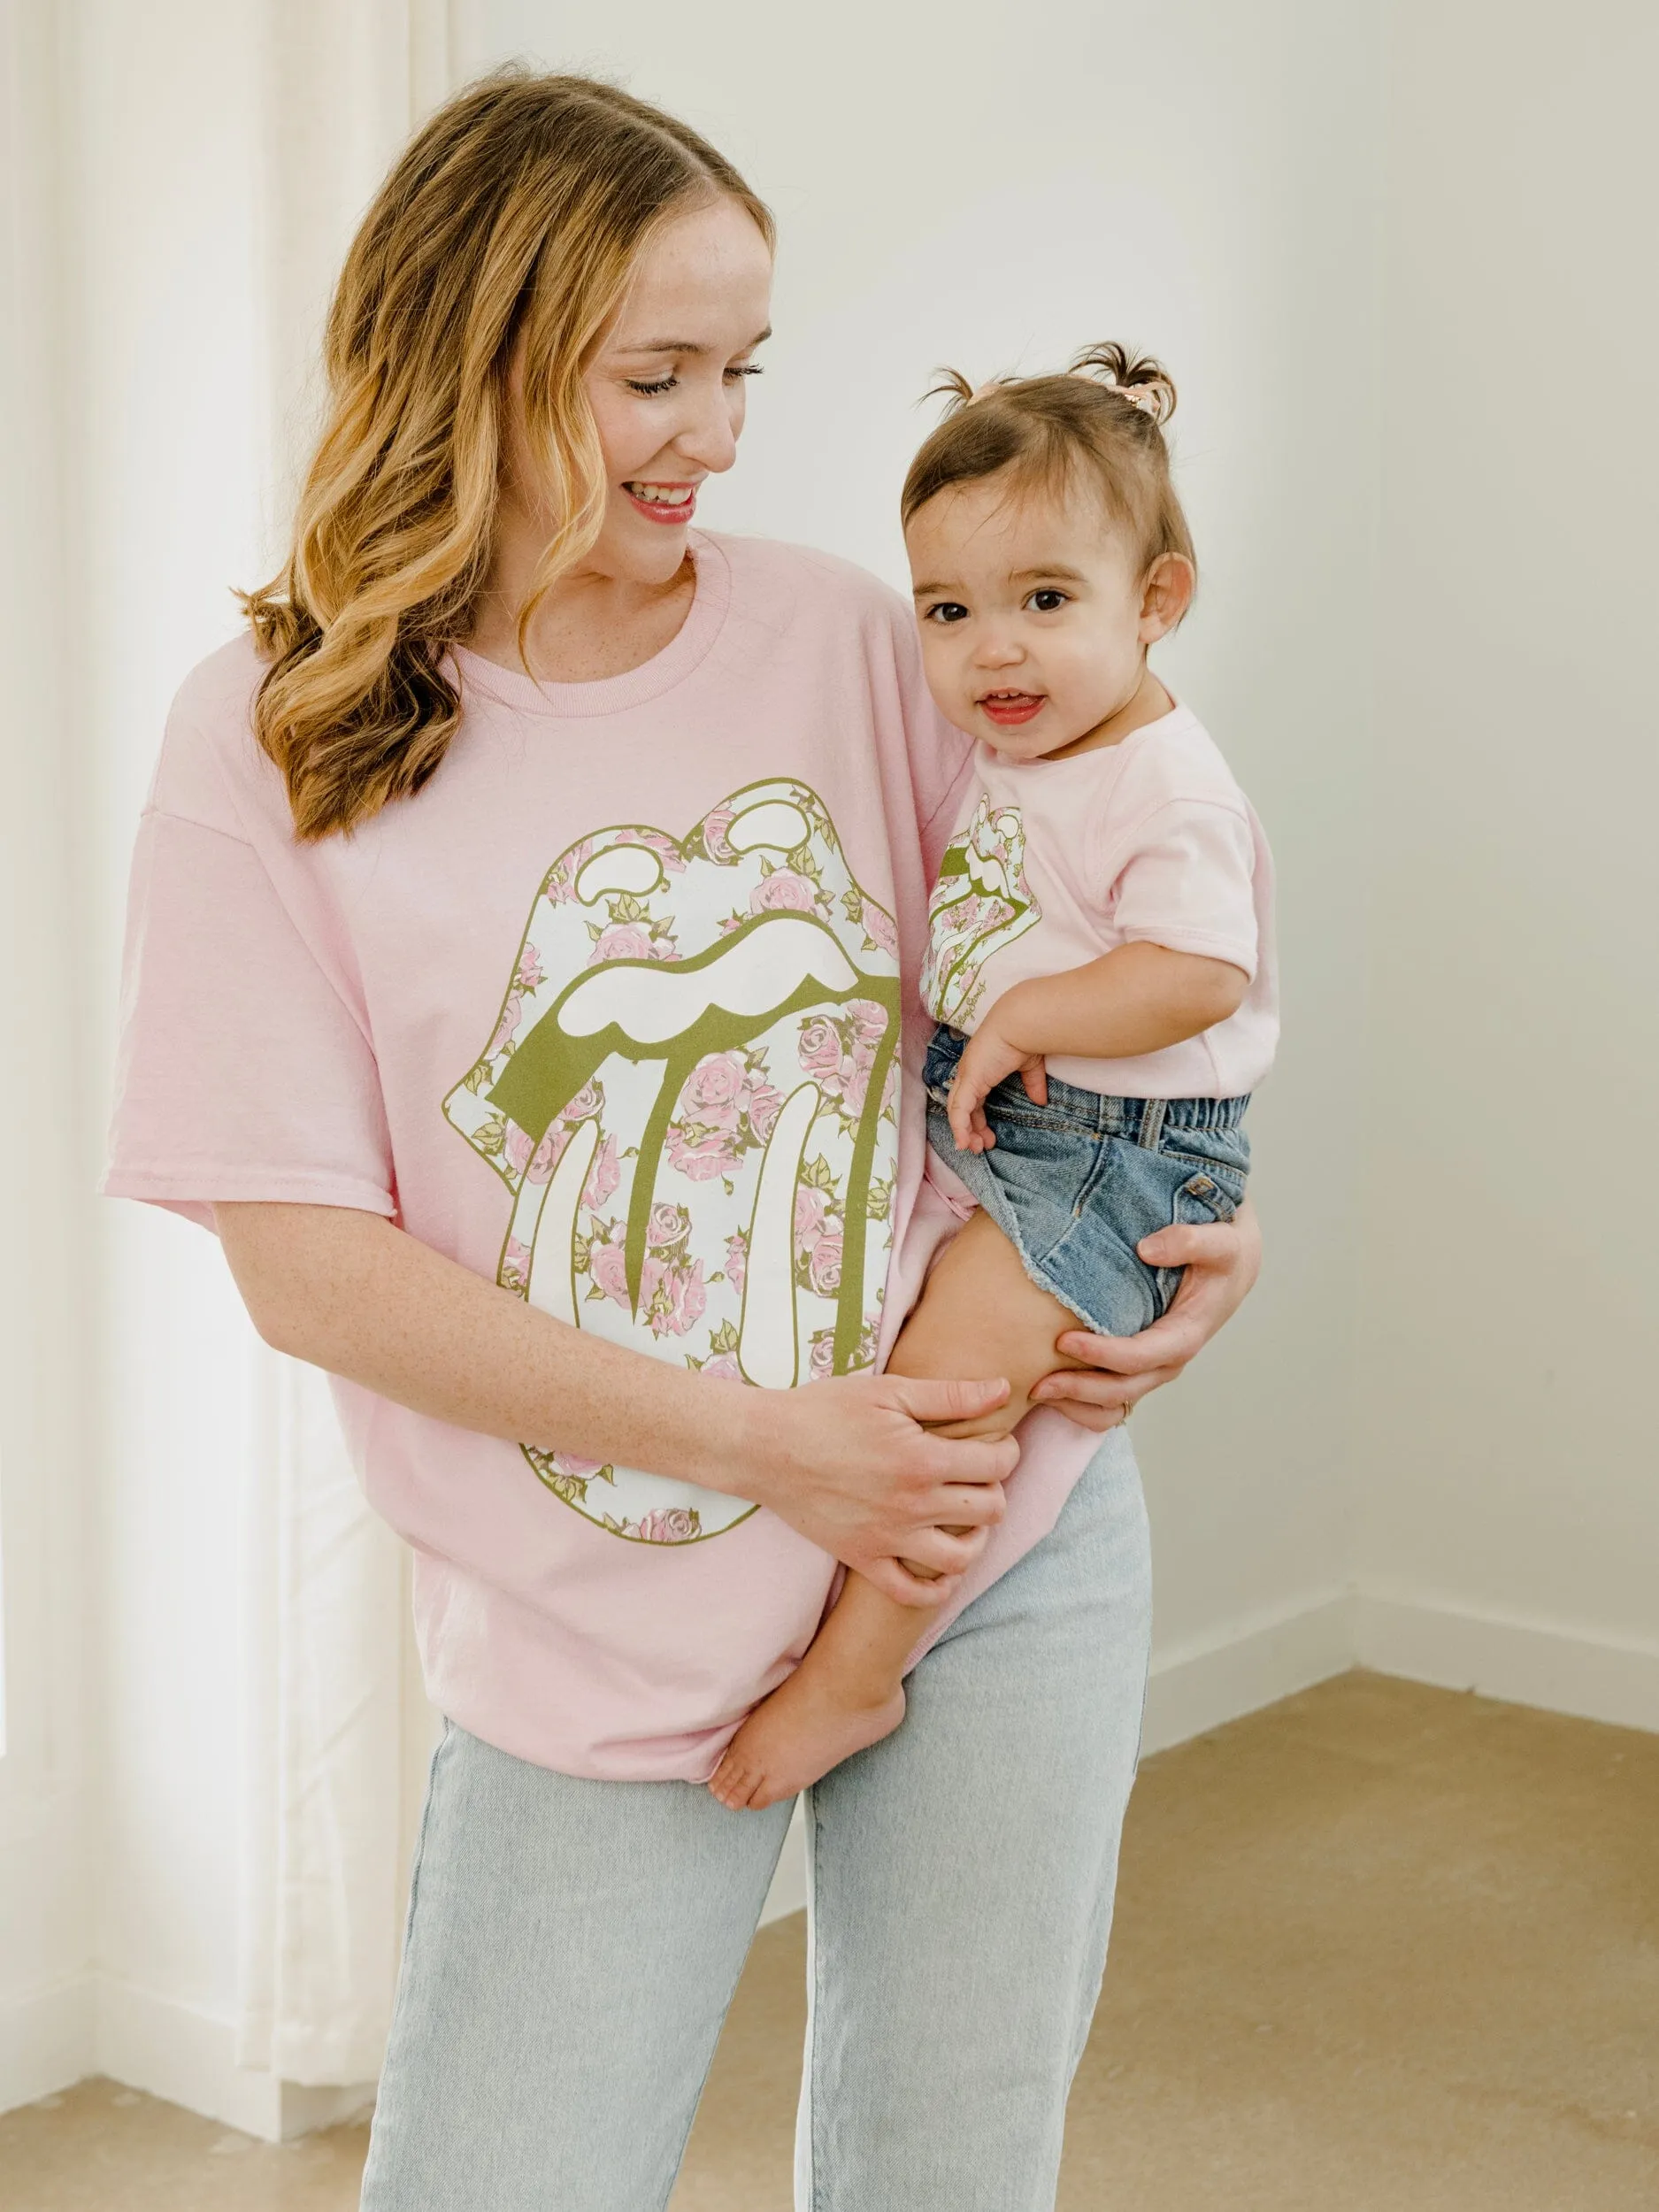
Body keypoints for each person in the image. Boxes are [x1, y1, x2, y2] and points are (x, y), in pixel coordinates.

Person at [102, 71, 1260, 2212]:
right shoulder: (270, 742)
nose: (717, 435)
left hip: (978, 1542)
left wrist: (1199, 1225)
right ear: (479, 349)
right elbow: (307, 1268)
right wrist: (761, 1442)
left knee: (949, 2165)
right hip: (599, 1619)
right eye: (658, 374)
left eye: (740, 370)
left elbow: (1102, 948)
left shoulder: (849, 632)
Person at [712, 345, 1275, 1812]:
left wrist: (1031, 1013)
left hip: (1109, 1148)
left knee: (943, 1401)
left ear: (1156, 603)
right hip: (1010, 1105)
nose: (992, 653)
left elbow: (1202, 970)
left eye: (1043, 602)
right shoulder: (1027, 748)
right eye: (949, 613)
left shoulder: (1163, 782)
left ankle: (855, 1675)